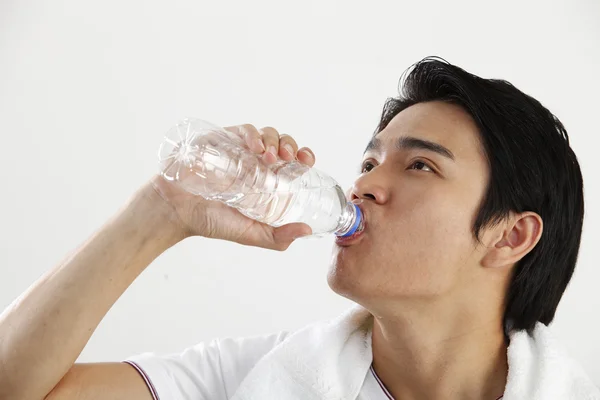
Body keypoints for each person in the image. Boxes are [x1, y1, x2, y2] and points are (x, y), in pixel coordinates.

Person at [0, 57, 597, 400]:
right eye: (368, 162)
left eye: (420, 165)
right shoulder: (253, 380)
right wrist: (163, 209)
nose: (364, 185)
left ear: (510, 236)